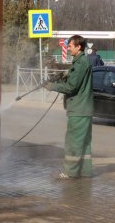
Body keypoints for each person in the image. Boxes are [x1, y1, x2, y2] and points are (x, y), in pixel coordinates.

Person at [44, 34, 93, 179]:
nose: (68, 48)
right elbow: (75, 78)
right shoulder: (81, 62)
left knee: (73, 142)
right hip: (84, 108)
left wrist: (52, 86)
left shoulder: (80, 63)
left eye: (70, 46)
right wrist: (66, 74)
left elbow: (71, 87)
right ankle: (85, 171)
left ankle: (69, 173)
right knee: (84, 143)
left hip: (78, 108)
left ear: (79, 47)